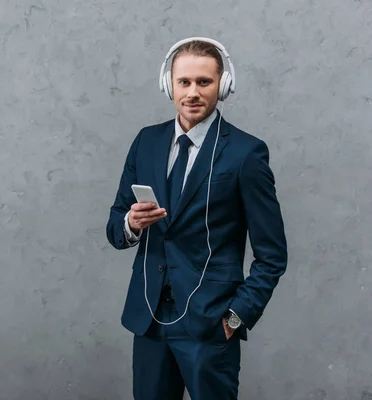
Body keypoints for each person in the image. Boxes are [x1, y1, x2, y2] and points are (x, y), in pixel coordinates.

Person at [105, 37, 288, 400]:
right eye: (183, 82)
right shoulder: (147, 141)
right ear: (168, 84)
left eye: (204, 82)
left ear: (223, 86)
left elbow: (273, 255)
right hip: (149, 320)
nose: (192, 92)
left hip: (210, 325)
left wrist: (235, 317)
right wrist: (131, 224)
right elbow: (114, 227)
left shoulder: (246, 153)